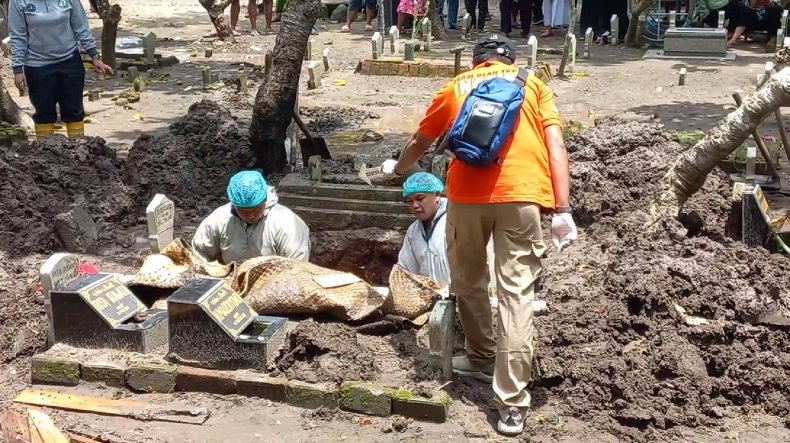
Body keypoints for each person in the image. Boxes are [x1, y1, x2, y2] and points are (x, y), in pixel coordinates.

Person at [379, 34, 576, 436]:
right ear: (512, 60)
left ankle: (482, 355)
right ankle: (513, 404)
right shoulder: (534, 85)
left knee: (468, 280)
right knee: (517, 295)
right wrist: (562, 208)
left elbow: (421, 140)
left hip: (465, 198)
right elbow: (556, 145)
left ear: (475, 62)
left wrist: (399, 170)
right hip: (523, 197)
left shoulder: (456, 87)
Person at [9, 0, 114, 139]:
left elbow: (81, 27)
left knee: (74, 111)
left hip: (69, 61)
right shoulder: (18, 2)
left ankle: (79, 150)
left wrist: (95, 56)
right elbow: (18, 36)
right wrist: (17, 69)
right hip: (37, 65)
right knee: (43, 114)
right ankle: (46, 155)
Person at [192, 170, 311, 265]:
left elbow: (297, 272)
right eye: (243, 211)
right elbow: (197, 256)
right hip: (229, 284)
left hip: (274, 287)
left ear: (265, 199)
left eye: (255, 209)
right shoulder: (218, 220)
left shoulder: (288, 225)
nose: (250, 216)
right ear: (234, 204)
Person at [397, 172, 450, 289]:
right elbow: (406, 270)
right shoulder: (413, 232)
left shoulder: (455, 221)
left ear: (436, 195)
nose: (415, 205)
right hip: (430, 299)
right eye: (409, 201)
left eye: (420, 198)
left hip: (462, 299)